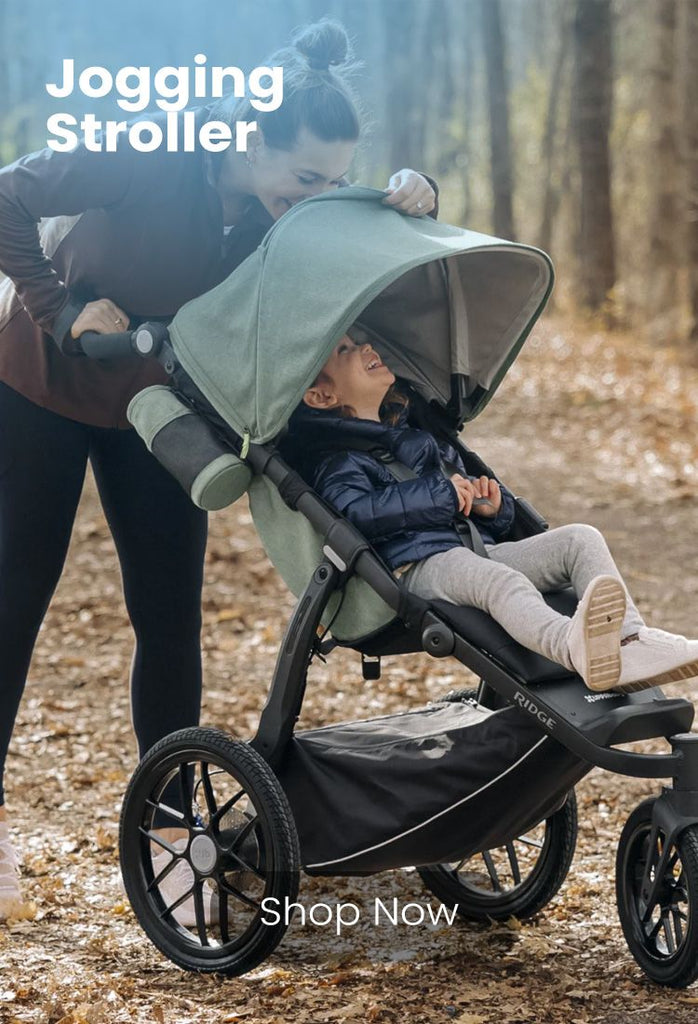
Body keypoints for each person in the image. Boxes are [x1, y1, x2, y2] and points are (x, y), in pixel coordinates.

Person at [0, 19, 438, 921]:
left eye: (334, 181)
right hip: (39, 384)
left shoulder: (293, 207)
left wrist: (412, 193)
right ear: (246, 137)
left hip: (158, 406)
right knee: (13, 604)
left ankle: (172, 842)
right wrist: (59, 306)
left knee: (169, 617)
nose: (317, 198)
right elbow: (7, 194)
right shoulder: (145, 149)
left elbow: (357, 244)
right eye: (306, 179)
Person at [284, 334, 698, 697]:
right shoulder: (336, 461)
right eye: (345, 350)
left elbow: (454, 502)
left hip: (469, 549)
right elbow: (354, 515)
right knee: (501, 582)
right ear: (321, 396)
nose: (364, 346)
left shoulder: (415, 439)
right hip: (415, 567)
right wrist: (441, 495)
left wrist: (491, 509)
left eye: (359, 340)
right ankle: (573, 648)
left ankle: (630, 641)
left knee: (580, 539)